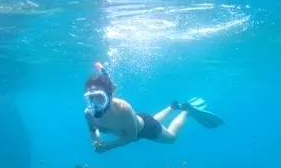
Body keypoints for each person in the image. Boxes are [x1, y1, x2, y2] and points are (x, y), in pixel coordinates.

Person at [83, 63, 221, 154]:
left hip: (147, 128)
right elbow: (93, 130)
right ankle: (172, 107)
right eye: (90, 98)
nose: (95, 103)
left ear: (111, 94)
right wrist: (96, 142)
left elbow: (131, 137)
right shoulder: (89, 113)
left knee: (172, 138)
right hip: (136, 121)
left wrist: (108, 147)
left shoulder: (123, 109)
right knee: (149, 120)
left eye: (100, 97)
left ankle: (186, 111)